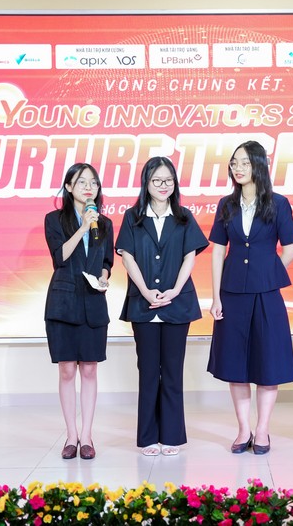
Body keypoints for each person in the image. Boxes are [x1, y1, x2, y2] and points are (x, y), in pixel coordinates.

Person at [207, 140, 293, 455]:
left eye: (244, 162)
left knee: (267, 362)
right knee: (236, 364)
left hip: (266, 294)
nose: (238, 168)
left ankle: (262, 430)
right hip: (232, 293)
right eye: (234, 163)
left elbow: (290, 249)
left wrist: (269, 274)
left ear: (259, 164)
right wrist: (216, 296)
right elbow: (218, 252)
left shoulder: (278, 203)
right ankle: (243, 428)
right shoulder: (226, 204)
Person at [115, 156, 209, 457]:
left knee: (172, 371)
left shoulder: (183, 216)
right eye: (157, 180)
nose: (163, 185)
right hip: (142, 306)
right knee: (147, 371)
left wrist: (175, 290)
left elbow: (190, 256)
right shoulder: (133, 217)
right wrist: (145, 291)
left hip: (177, 305)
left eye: (168, 180)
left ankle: (171, 437)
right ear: (146, 183)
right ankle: (147, 438)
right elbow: (127, 256)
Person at [44, 163, 114, 460]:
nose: (89, 187)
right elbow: (59, 257)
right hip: (63, 302)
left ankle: (86, 436)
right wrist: (83, 227)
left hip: (93, 301)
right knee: (67, 370)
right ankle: (71, 435)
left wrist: (104, 277)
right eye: (82, 182)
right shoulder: (54, 219)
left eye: (93, 183)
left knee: (89, 368)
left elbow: (106, 261)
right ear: (69, 187)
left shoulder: (105, 223)